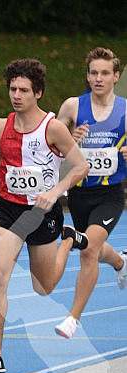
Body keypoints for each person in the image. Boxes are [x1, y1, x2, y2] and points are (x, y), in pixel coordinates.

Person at [0, 59, 89, 373]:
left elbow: (80, 167)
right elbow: (2, 156)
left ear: (37, 92)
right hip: (11, 211)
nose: (16, 95)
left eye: (23, 90)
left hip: (43, 212)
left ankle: (67, 240)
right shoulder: (1, 126)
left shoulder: (53, 128)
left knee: (44, 288)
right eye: (12, 89)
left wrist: (55, 193)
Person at [54, 47, 127, 338]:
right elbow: (52, 153)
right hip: (79, 194)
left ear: (116, 76)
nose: (99, 78)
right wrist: (70, 140)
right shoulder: (72, 107)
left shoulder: (125, 109)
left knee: (88, 252)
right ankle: (121, 262)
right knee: (92, 247)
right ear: (87, 76)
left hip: (110, 194)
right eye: (94, 73)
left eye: (105, 73)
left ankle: (73, 318)